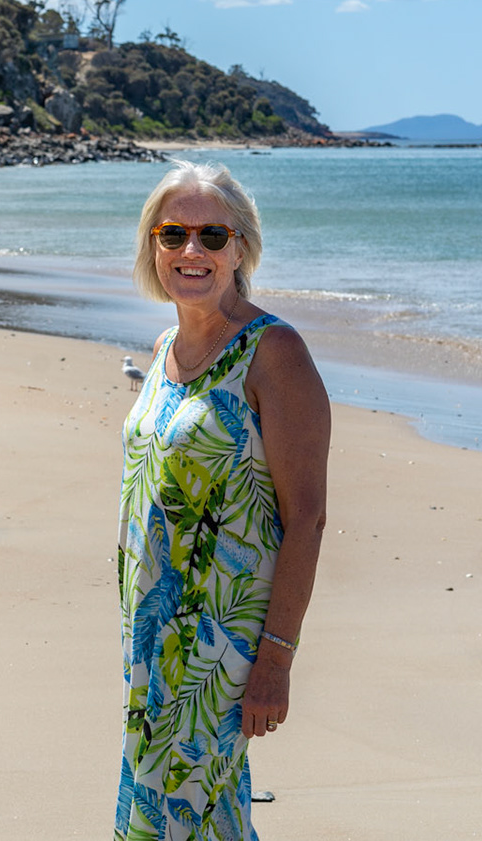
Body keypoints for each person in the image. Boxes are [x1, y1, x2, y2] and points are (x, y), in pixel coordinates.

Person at [114, 160, 330, 841]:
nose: (191, 251)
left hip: (216, 649)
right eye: (172, 232)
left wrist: (276, 659)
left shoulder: (274, 353)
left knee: (168, 820)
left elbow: (308, 518)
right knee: (204, 819)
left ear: (241, 247)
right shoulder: (162, 351)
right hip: (151, 639)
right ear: (153, 244)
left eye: (212, 234)